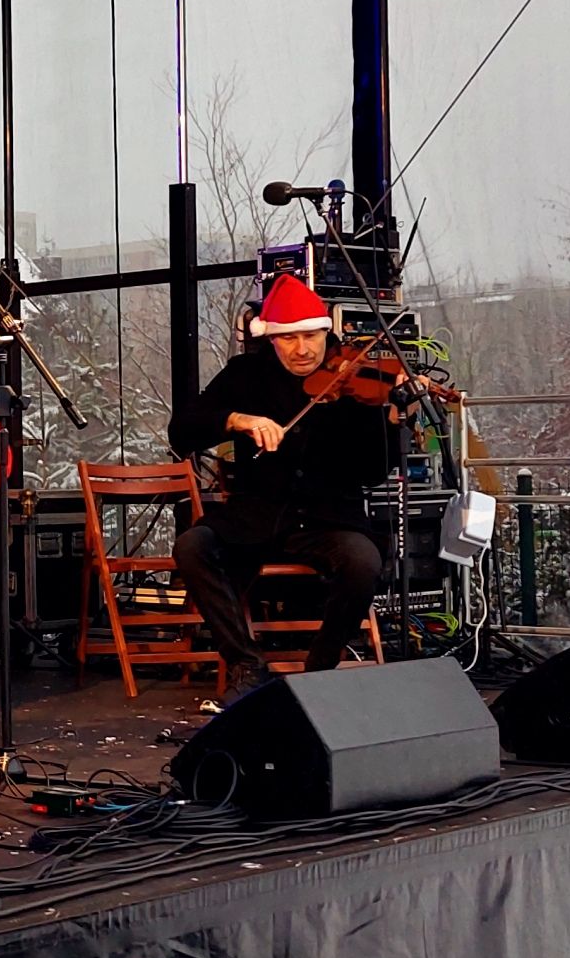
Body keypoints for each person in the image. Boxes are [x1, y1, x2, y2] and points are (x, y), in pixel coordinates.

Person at [166, 272, 397, 699]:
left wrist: (392, 419)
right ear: (271, 339)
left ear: (326, 333)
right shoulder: (245, 375)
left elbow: (374, 473)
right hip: (257, 516)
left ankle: (319, 669)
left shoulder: (357, 381)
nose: (302, 349)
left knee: (364, 562)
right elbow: (182, 430)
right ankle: (245, 663)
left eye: (311, 336)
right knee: (192, 547)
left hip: (329, 518)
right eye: (289, 338)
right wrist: (237, 420)